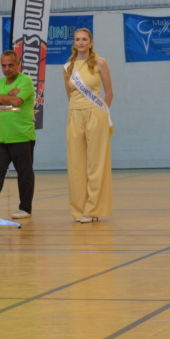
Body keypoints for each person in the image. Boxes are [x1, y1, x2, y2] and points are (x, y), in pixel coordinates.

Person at [63, 28, 114, 223]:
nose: (81, 42)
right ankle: (79, 209)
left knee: (96, 164)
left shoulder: (100, 63)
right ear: (74, 43)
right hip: (75, 115)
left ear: (90, 42)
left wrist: (102, 113)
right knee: (76, 164)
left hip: (96, 115)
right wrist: (78, 110)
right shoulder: (67, 67)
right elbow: (69, 95)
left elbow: (109, 93)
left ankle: (93, 209)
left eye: (84, 39)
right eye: (77, 39)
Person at [0, 50, 36, 219]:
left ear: (18, 64)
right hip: (0, 138)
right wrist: (4, 96)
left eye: (10, 65)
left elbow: (17, 101)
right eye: (4, 66)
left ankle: (25, 208)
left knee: (24, 174)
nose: (7, 69)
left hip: (22, 136)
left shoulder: (25, 81)